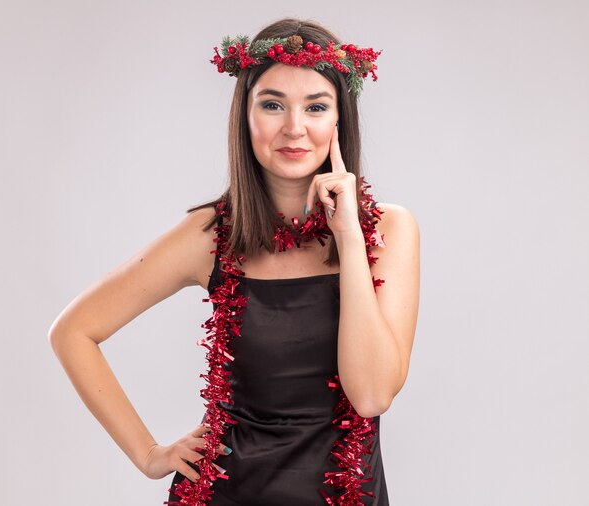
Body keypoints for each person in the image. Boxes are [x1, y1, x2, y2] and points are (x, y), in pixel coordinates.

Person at [48, 17, 420, 506]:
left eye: (315, 106)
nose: (294, 127)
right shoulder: (210, 236)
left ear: (338, 120)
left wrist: (349, 239)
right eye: (272, 105)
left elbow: (371, 396)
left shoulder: (385, 231)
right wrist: (149, 454)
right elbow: (73, 331)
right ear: (244, 117)